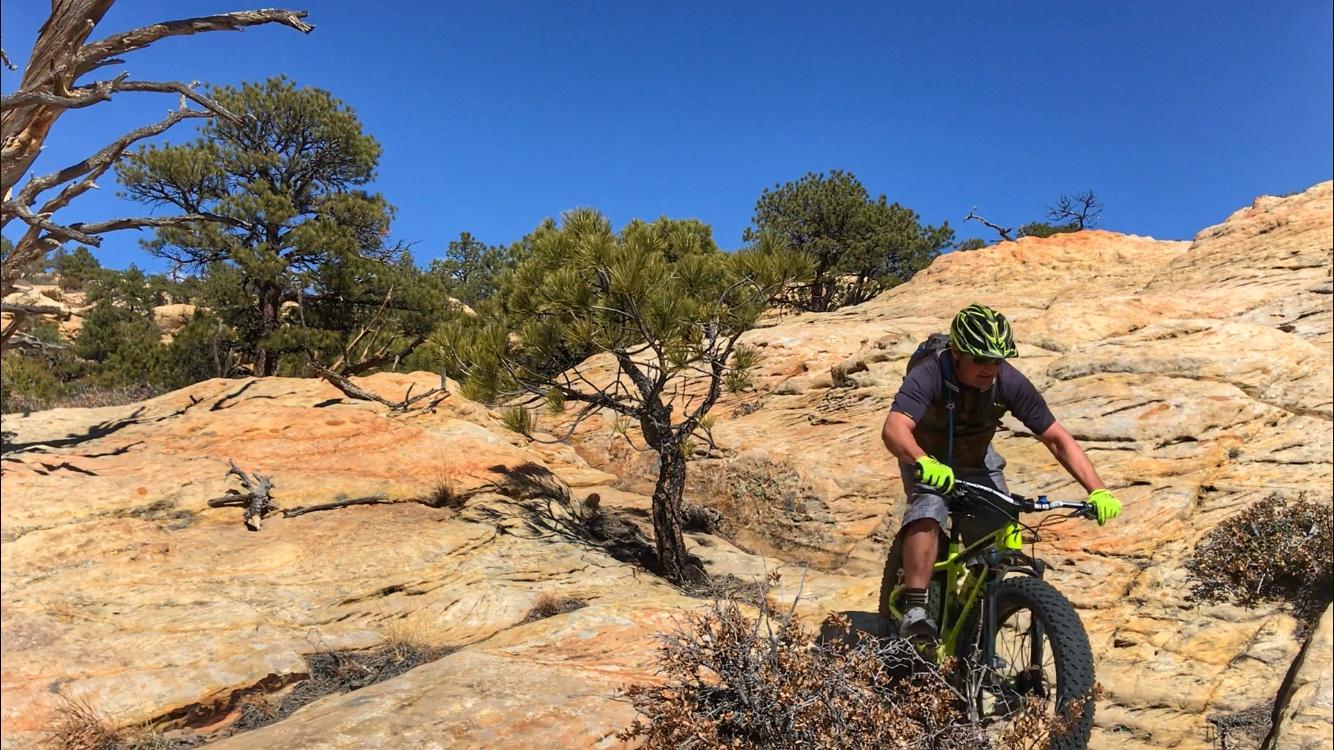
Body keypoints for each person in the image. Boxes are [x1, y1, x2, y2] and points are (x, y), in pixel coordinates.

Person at [880, 303, 1122, 639]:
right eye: (980, 359)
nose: (990, 368)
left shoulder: (1008, 381)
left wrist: (1098, 489)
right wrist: (922, 461)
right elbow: (894, 429)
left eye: (998, 359)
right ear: (957, 353)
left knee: (1001, 529)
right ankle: (916, 609)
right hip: (925, 454)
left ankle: (977, 627)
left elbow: (1056, 438)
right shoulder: (931, 372)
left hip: (975, 458)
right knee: (929, 508)